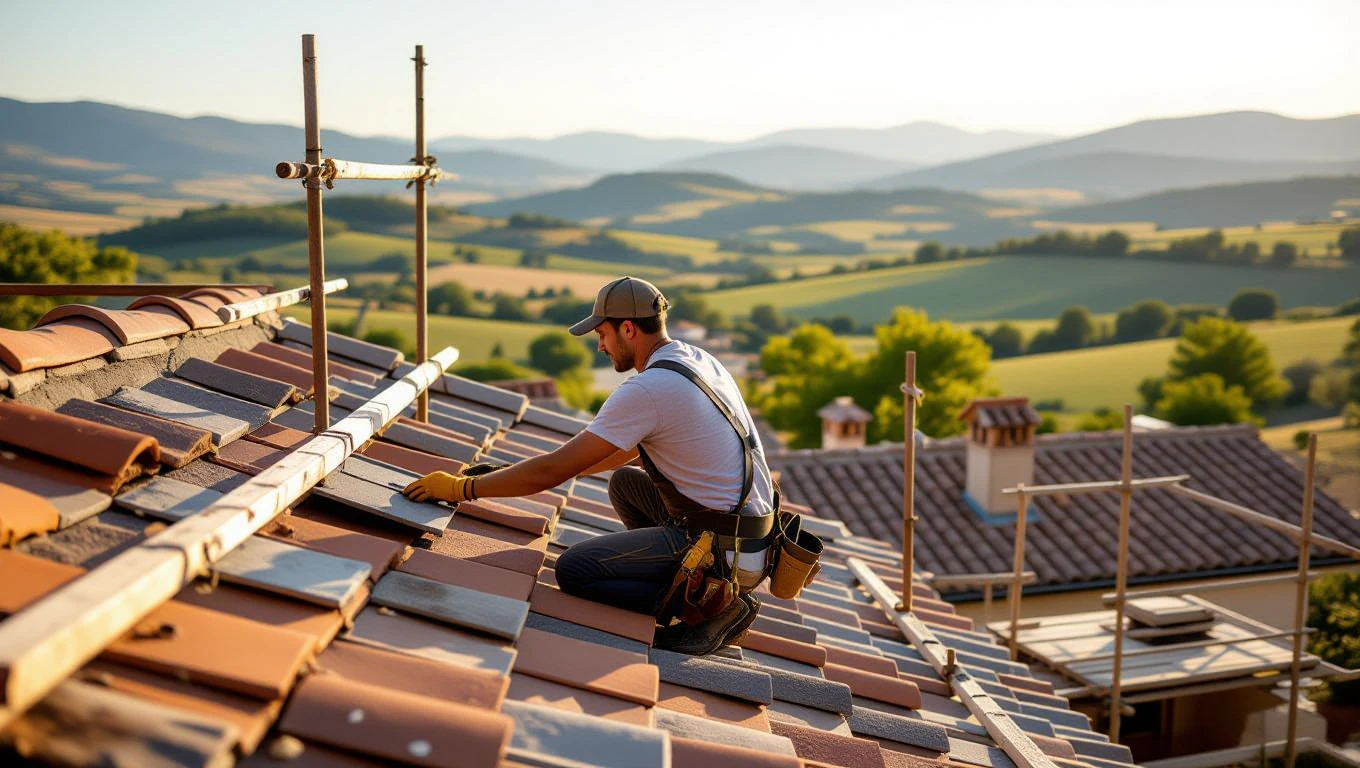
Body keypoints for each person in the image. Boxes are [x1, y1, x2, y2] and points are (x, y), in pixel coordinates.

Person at [402, 276, 777, 654]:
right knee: (626, 485)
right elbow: (608, 455)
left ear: (627, 329)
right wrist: (507, 473)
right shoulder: (696, 361)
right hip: (750, 536)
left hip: (727, 550)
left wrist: (459, 489)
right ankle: (694, 578)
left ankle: (710, 604)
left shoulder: (648, 389)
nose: (600, 346)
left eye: (602, 334)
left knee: (575, 570)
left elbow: (553, 471)